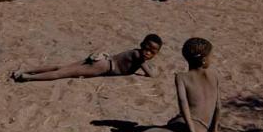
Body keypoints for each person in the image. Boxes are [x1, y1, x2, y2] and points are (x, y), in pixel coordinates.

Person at [124, 37, 220, 132]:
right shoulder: (214, 75)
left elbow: (183, 106)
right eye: (211, 56)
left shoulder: (182, 77)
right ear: (204, 59)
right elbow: (218, 106)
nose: (211, 59)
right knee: (173, 129)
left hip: (186, 131)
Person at [11, 34, 162, 82]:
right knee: (62, 73)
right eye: (146, 49)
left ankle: (25, 70)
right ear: (141, 45)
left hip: (102, 59)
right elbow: (150, 74)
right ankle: (27, 77)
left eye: (152, 52)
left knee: (62, 67)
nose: (147, 53)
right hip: (104, 66)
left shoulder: (135, 52)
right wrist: (153, 70)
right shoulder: (138, 56)